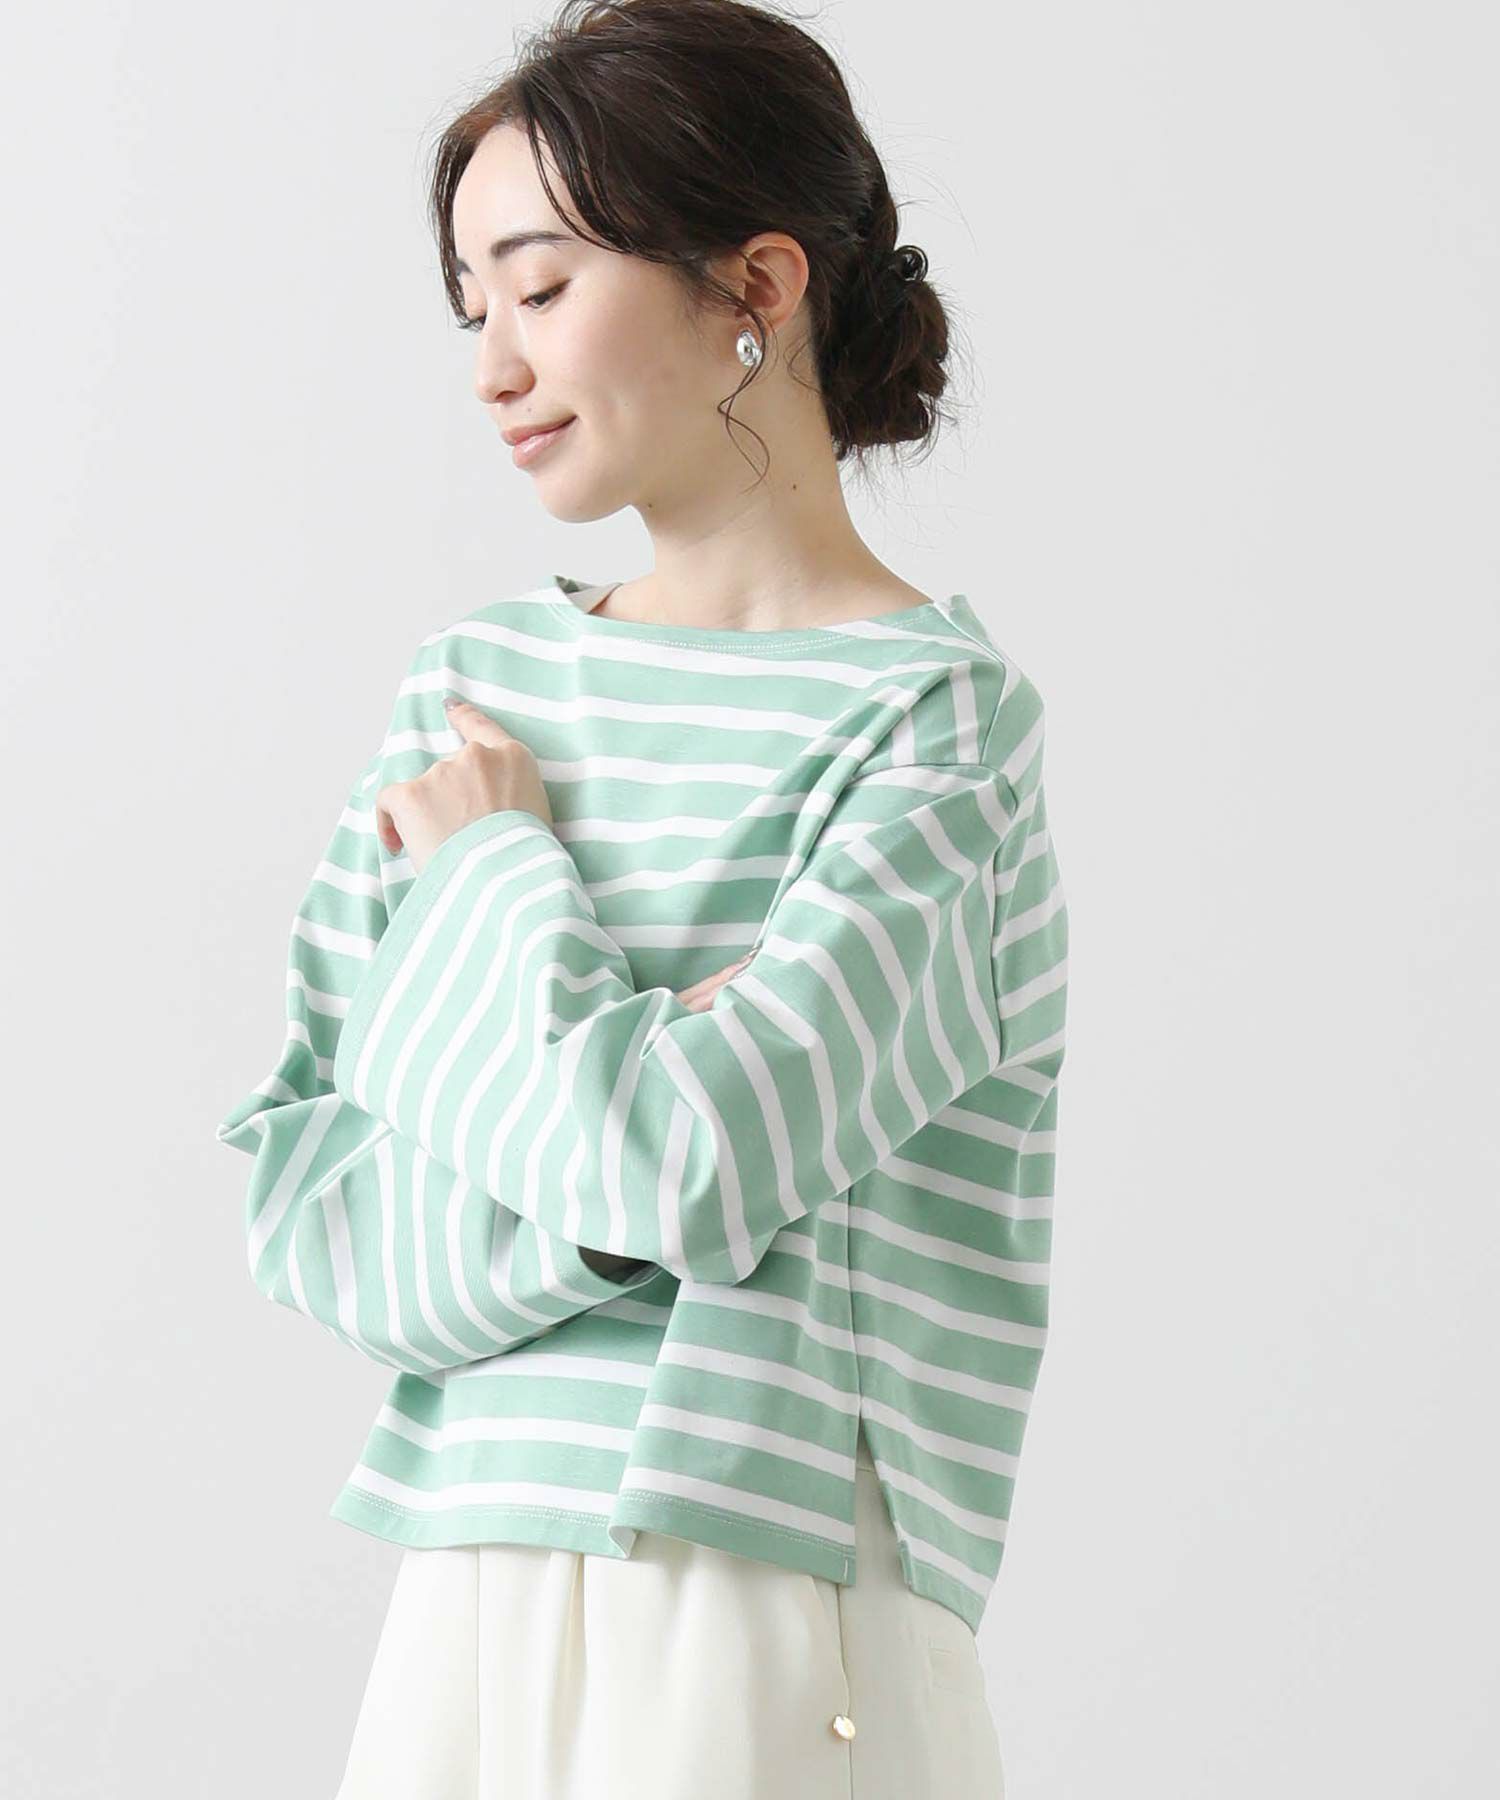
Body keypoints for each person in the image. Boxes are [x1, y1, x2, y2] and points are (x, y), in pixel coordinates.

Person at [215, 2, 1069, 1795]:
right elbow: (312, 1198)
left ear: (754, 285)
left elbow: (696, 1161)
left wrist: (496, 889)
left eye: (539, 287)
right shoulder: (472, 698)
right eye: (472, 307)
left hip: (761, 1575)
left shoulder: (933, 726)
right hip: (467, 1579)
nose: (493, 365)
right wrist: (632, 1138)